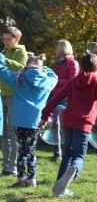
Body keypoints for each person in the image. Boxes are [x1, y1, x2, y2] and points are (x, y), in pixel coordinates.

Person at [39, 53, 97, 197]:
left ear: (80, 66)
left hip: (68, 121)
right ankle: (73, 171)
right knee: (79, 156)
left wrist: (44, 117)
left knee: (67, 154)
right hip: (83, 123)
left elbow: (55, 99)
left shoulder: (73, 81)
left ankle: (60, 188)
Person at [0, 52, 57, 187]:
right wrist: (46, 68)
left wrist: (1, 58)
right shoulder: (47, 80)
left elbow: (2, 71)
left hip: (19, 120)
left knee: (22, 149)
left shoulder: (19, 78)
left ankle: (21, 178)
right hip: (36, 120)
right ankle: (31, 179)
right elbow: (54, 76)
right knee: (31, 149)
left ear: (26, 66)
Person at [0, 27, 28, 176]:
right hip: (1, 94)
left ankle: (12, 168)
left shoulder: (20, 52)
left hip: (13, 95)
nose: (5, 42)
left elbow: (21, 68)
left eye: (8, 39)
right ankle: (6, 167)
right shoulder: (4, 51)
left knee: (11, 132)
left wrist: (4, 60)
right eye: (3, 39)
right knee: (2, 133)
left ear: (17, 39)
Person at [50, 40, 80, 161]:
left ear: (62, 48)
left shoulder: (72, 62)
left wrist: (56, 80)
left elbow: (73, 81)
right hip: (53, 97)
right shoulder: (56, 63)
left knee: (65, 126)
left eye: (56, 48)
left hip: (65, 98)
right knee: (53, 125)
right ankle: (57, 152)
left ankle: (67, 152)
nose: (55, 50)